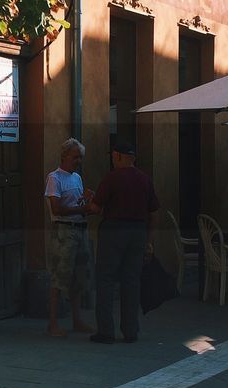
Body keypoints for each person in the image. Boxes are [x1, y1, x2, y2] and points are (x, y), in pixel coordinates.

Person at [88, 141, 160, 345]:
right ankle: (130, 331)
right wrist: (149, 241)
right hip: (137, 232)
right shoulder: (145, 179)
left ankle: (106, 331)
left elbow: (95, 208)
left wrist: (89, 199)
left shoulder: (112, 178)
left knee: (106, 280)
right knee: (131, 282)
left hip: (113, 231)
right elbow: (154, 213)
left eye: (113, 156)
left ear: (118, 156)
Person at [44, 138, 94, 336]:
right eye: (75, 157)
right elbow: (56, 207)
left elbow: (77, 203)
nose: (78, 161)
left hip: (80, 229)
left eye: (80, 158)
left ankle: (76, 320)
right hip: (64, 232)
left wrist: (86, 201)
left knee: (78, 277)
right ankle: (53, 323)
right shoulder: (54, 178)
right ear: (64, 156)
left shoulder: (77, 178)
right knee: (60, 276)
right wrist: (82, 208)